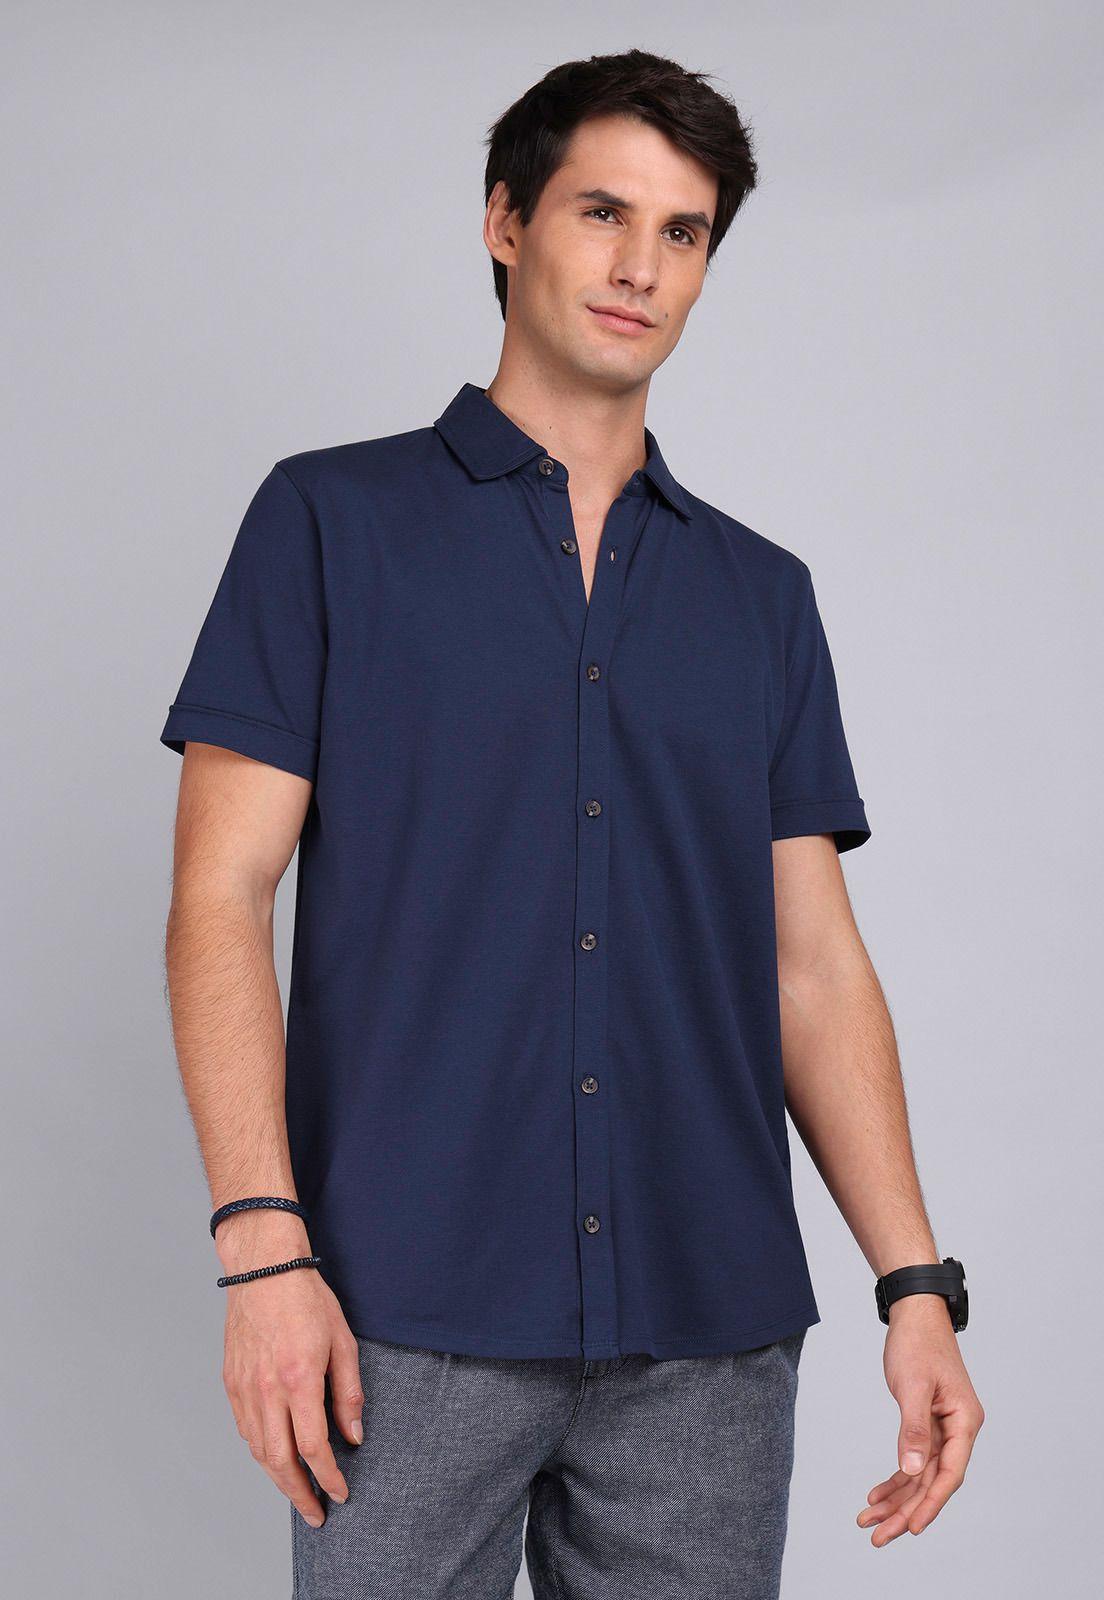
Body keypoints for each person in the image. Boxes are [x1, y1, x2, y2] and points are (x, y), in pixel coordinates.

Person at [159, 47, 984, 1599]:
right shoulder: (330, 524)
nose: (639, 267)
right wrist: (263, 1249)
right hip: (400, 1315)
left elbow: (811, 965)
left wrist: (915, 1284)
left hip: (707, 1331)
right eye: (603, 212)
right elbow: (220, 894)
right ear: (505, 221)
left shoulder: (761, 597)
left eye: (683, 233)